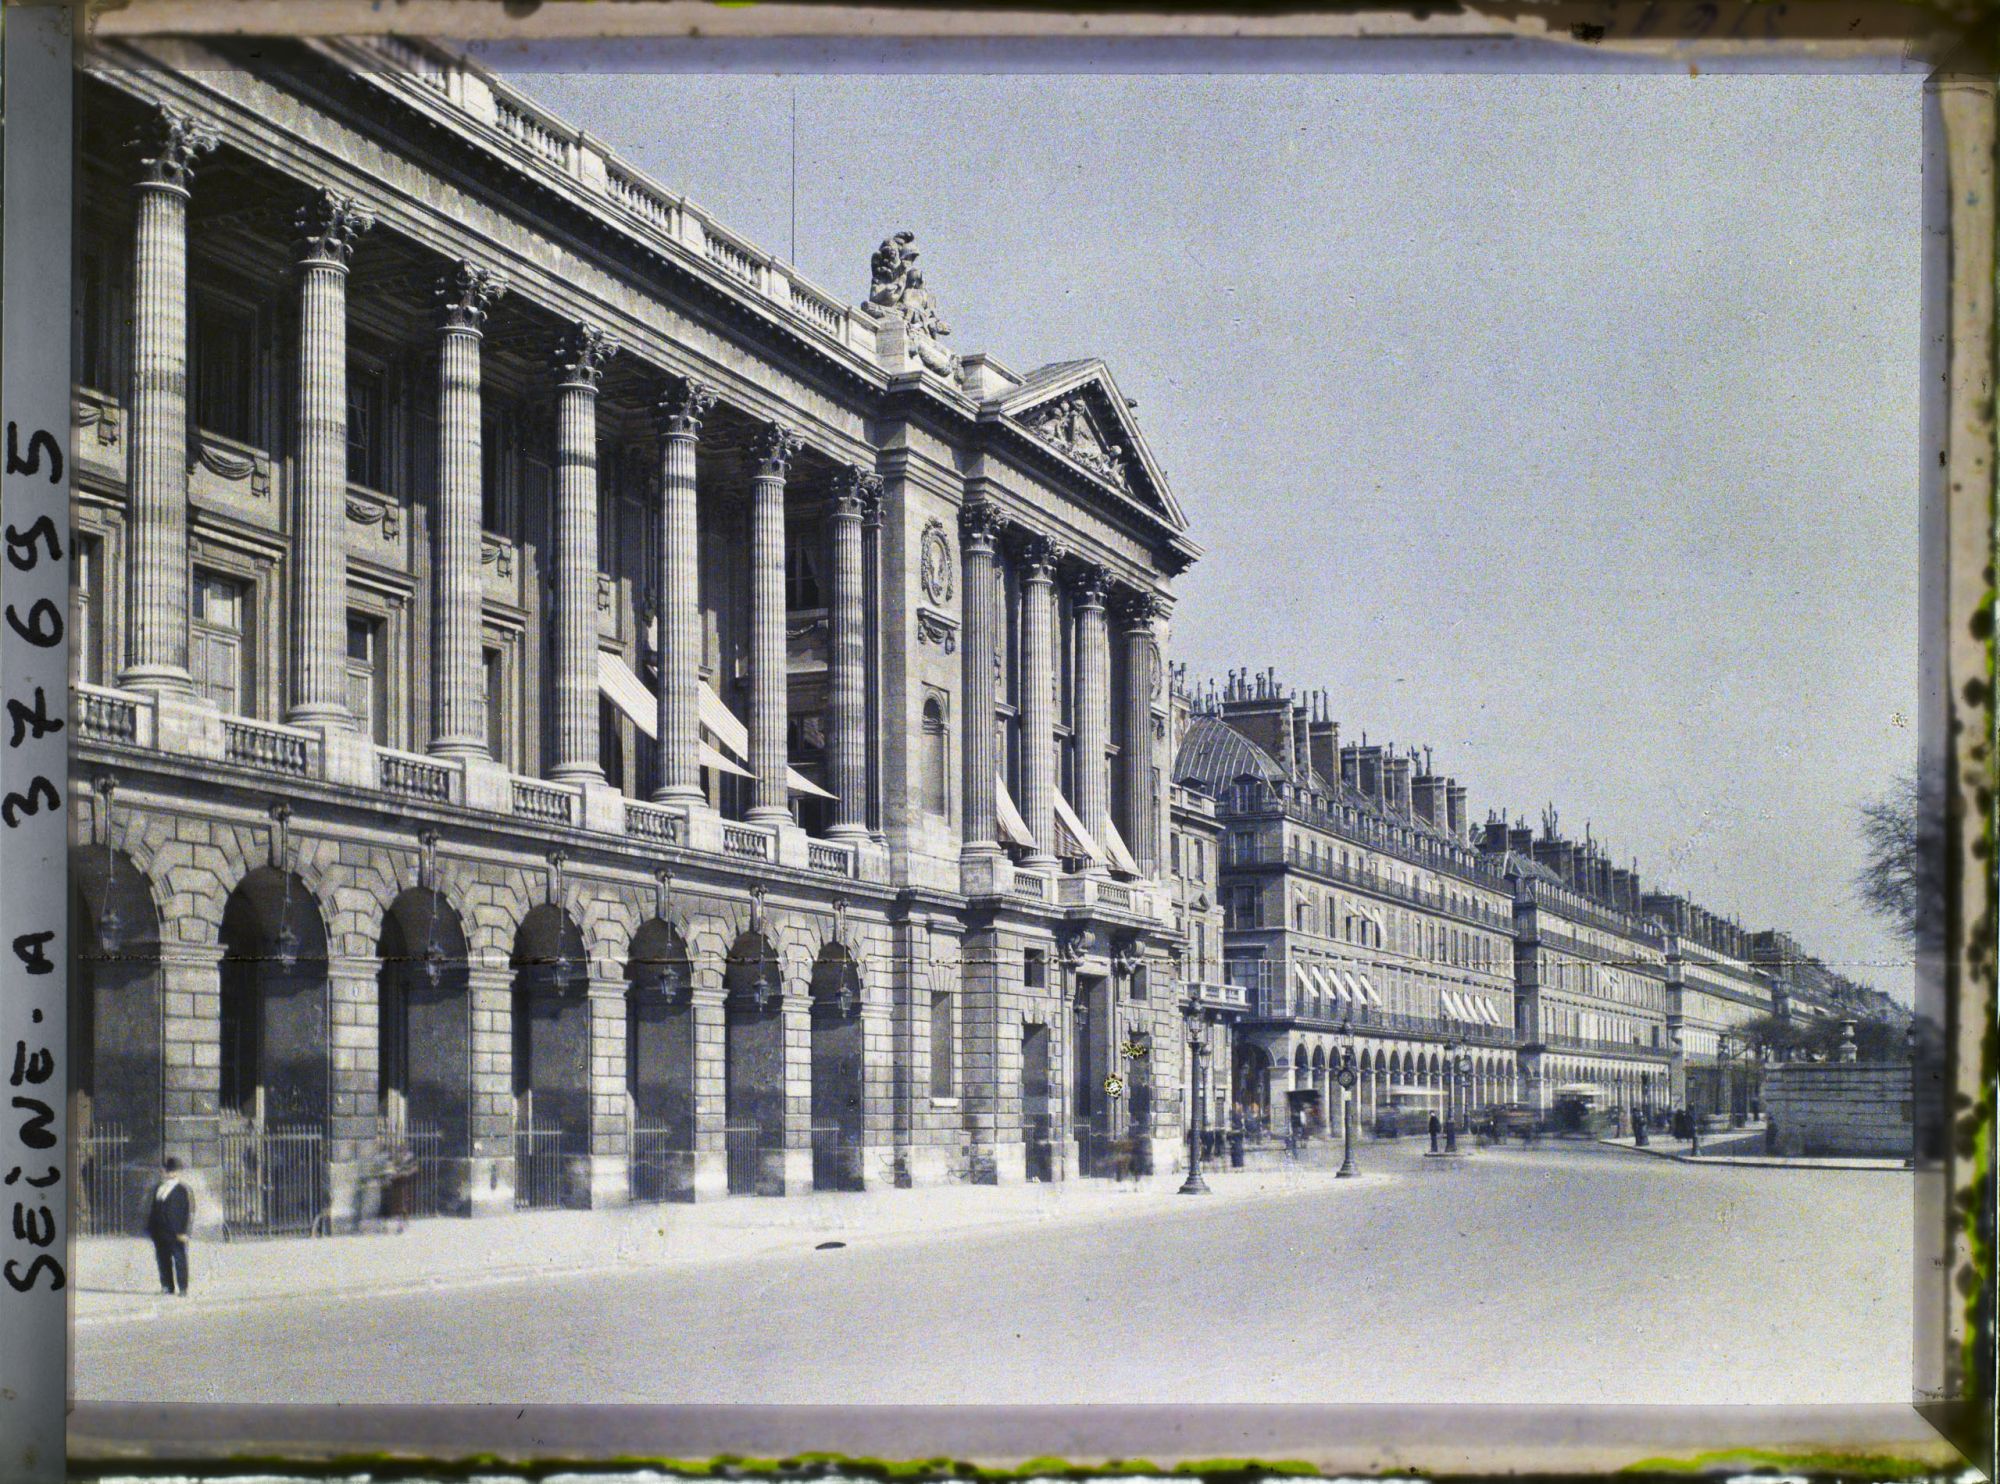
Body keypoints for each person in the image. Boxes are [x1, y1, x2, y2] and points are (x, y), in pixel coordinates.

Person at [145, 1156, 193, 1297]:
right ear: (164, 1172)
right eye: (168, 1171)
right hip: (160, 1231)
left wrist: (185, 1232)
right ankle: (167, 1286)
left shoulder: (182, 1189)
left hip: (176, 1231)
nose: (171, 1174)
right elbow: (154, 1209)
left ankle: (183, 1288)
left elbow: (188, 1212)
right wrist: (151, 1229)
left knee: (179, 1259)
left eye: (174, 1171)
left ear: (178, 1173)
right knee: (162, 1258)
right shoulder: (159, 1188)